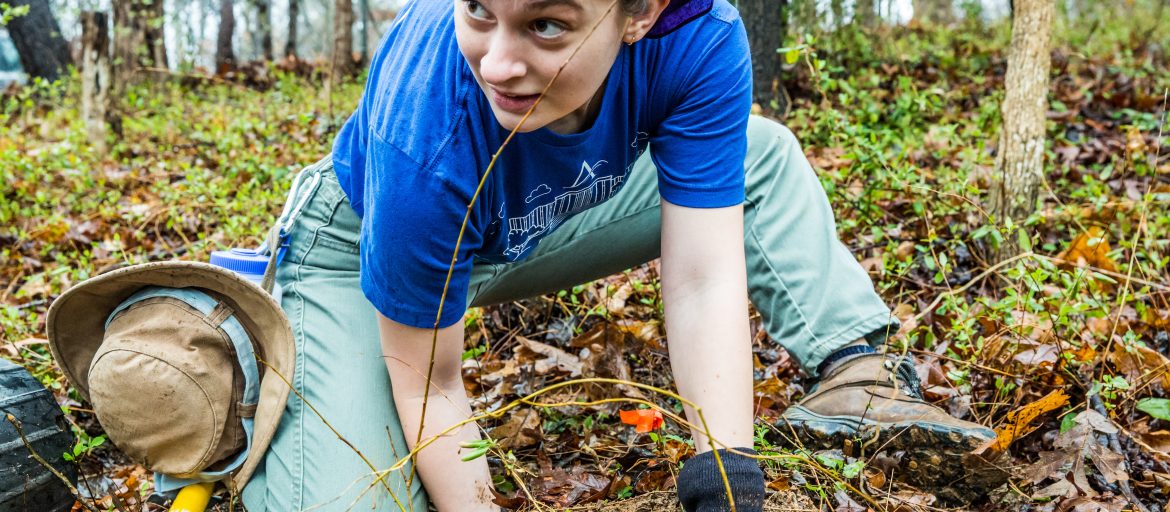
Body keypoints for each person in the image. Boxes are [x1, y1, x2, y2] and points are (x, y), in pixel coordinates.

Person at [240, 0, 997, 510]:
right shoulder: (425, 139)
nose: (496, 64)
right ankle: (267, 340)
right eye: (479, 10)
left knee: (755, 155)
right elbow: (432, 386)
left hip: (536, 220)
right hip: (360, 249)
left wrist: (723, 471)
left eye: (547, 26)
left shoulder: (695, 37)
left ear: (642, 12)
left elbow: (702, 276)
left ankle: (853, 371)